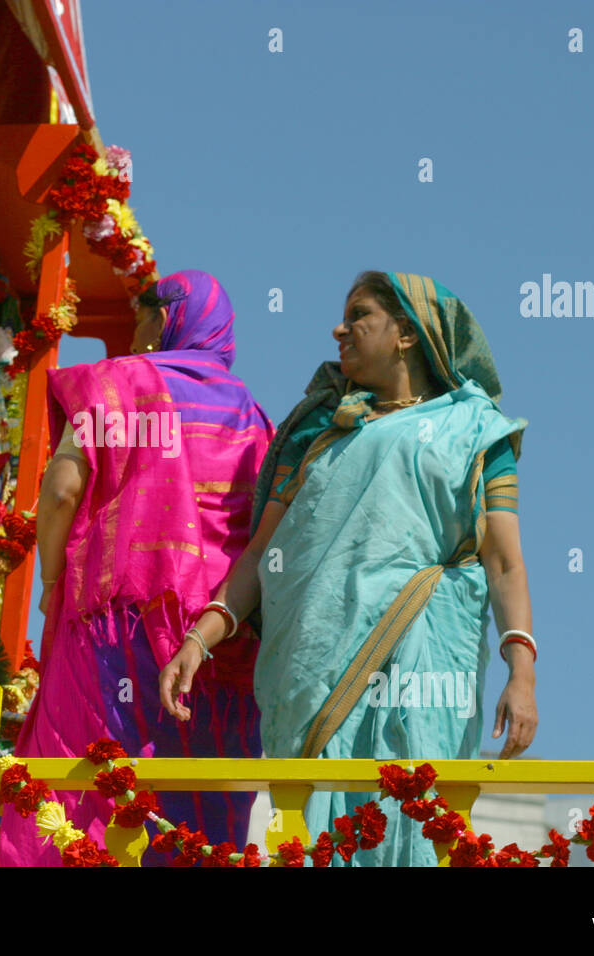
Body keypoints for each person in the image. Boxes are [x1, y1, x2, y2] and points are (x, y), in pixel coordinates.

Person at [160, 271, 538, 866]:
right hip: (312, 668)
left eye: (359, 315)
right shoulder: (320, 431)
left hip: (426, 663)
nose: (339, 329)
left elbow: (504, 561)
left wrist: (522, 672)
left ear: (407, 334)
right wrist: (199, 638)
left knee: (413, 819)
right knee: (316, 836)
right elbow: (262, 554)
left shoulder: (478, 431)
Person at [0, 270, 274, 866]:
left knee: (84, 788)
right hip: (221, 645)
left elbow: (63, 489)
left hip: (114, 629)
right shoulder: (254, 416)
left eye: (142, 313)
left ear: (166, 320)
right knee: (194, 812)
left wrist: (49, 581)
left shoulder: (121, 383)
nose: (136, 328)